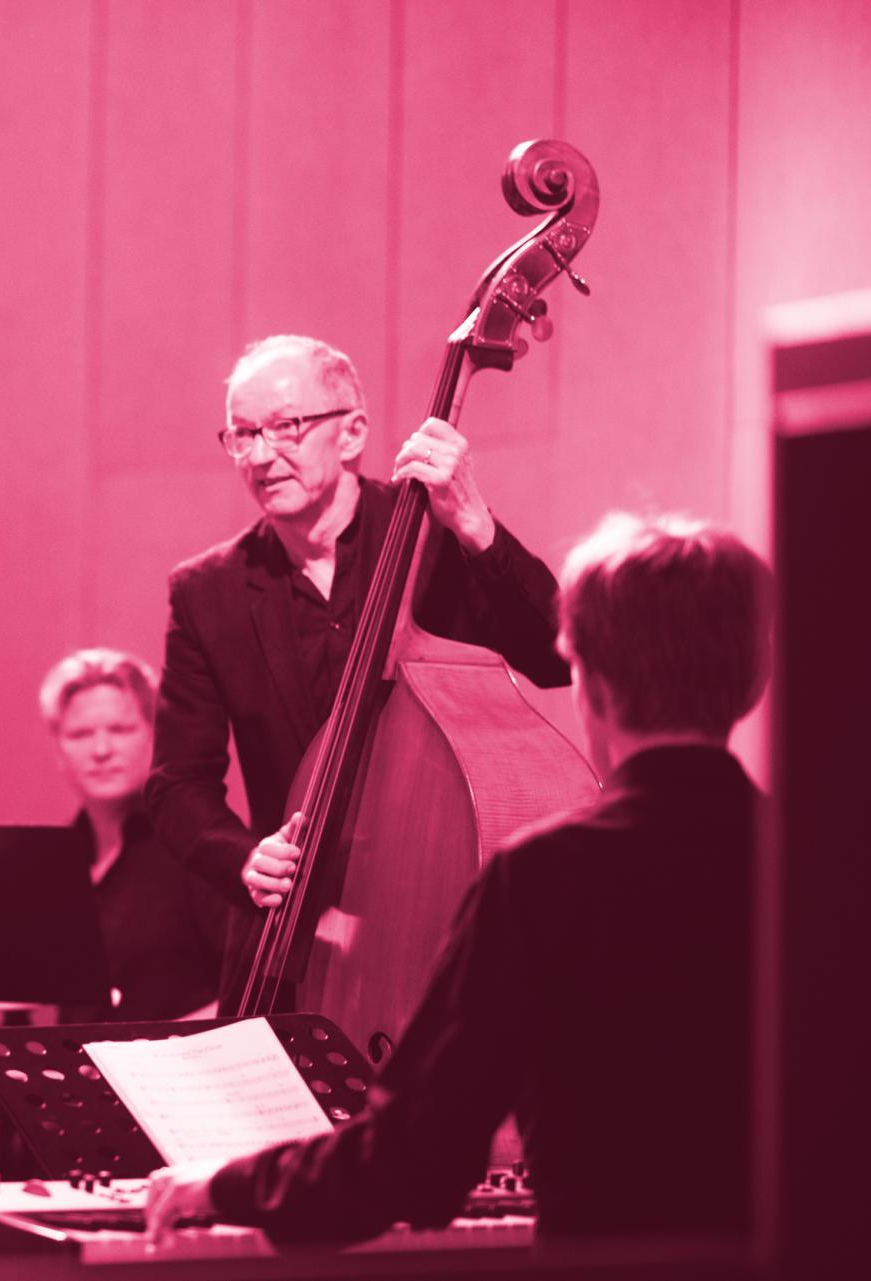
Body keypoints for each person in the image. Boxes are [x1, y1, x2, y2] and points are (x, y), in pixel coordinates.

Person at [144, 512, 770, 1246]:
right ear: (752, 681)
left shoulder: (548, 876)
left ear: (594, 683)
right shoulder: (821, 868)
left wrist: (229, 1183)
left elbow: (415, 1158)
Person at [144, 334, 570, 1006]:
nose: (261, 455)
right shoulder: (207, 590)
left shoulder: (435, 541)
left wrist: (476, 525)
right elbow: (177, 784)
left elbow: (557, 655)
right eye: (242, 434)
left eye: (285, 426)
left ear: (352, 433)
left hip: (430, 928)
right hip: (289, 943)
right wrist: (245, 858)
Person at [38, 648, 225, 1021]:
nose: (101, 750)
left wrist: (157, 1047)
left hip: (188, 1058)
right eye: (80, 734)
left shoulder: (199, 848)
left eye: (120, 730)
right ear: (59, 749)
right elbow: (16, 998)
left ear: (155, 736)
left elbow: (250, 993)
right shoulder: (53, 865)